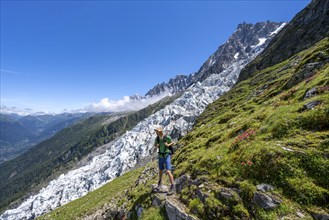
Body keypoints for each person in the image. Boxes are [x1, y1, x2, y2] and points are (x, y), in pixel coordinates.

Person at [154, 127, 175, 195]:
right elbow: (155, 145)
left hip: (166, 155)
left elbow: (172, 142)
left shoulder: (166, 137)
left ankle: (172, 186)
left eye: (157, 131)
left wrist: (168, 145)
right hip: (160, 156)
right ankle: (160, 183)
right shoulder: (157, 138)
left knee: (168, 171)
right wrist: (156, 146)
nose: (156, 132)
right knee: (160, 170)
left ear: (160, 132)